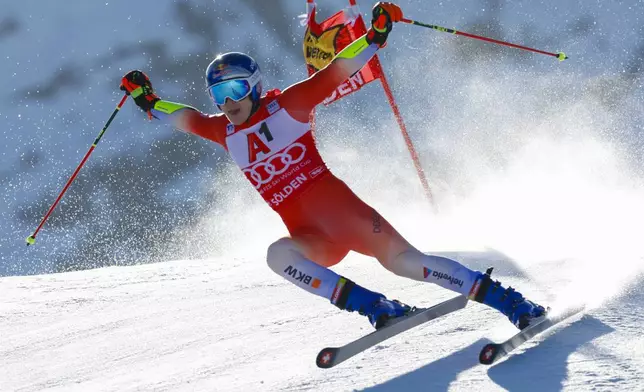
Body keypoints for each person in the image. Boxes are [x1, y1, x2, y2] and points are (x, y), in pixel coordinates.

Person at [119, 2, 545, 330]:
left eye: (235, 89)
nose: (228, 102)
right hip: (311, 237)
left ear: (254, 87)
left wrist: (375, 36)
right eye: (219, 93)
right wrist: (148, 101)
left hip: (349, 218)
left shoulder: (288, 105)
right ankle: (375, 306)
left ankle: (511, 302)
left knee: (406, 263)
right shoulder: (223, 131)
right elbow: (181, 116)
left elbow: (338, 70)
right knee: (277, 255)